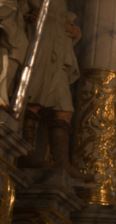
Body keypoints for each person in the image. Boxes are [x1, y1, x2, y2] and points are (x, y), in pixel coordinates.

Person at [22, 0, 82, 178]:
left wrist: (74, 32)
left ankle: (61, 161)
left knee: (64, 109)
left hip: (57, 47)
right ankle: (26, 152)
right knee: (35, 98)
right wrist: (30, 16)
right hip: (42, 44)